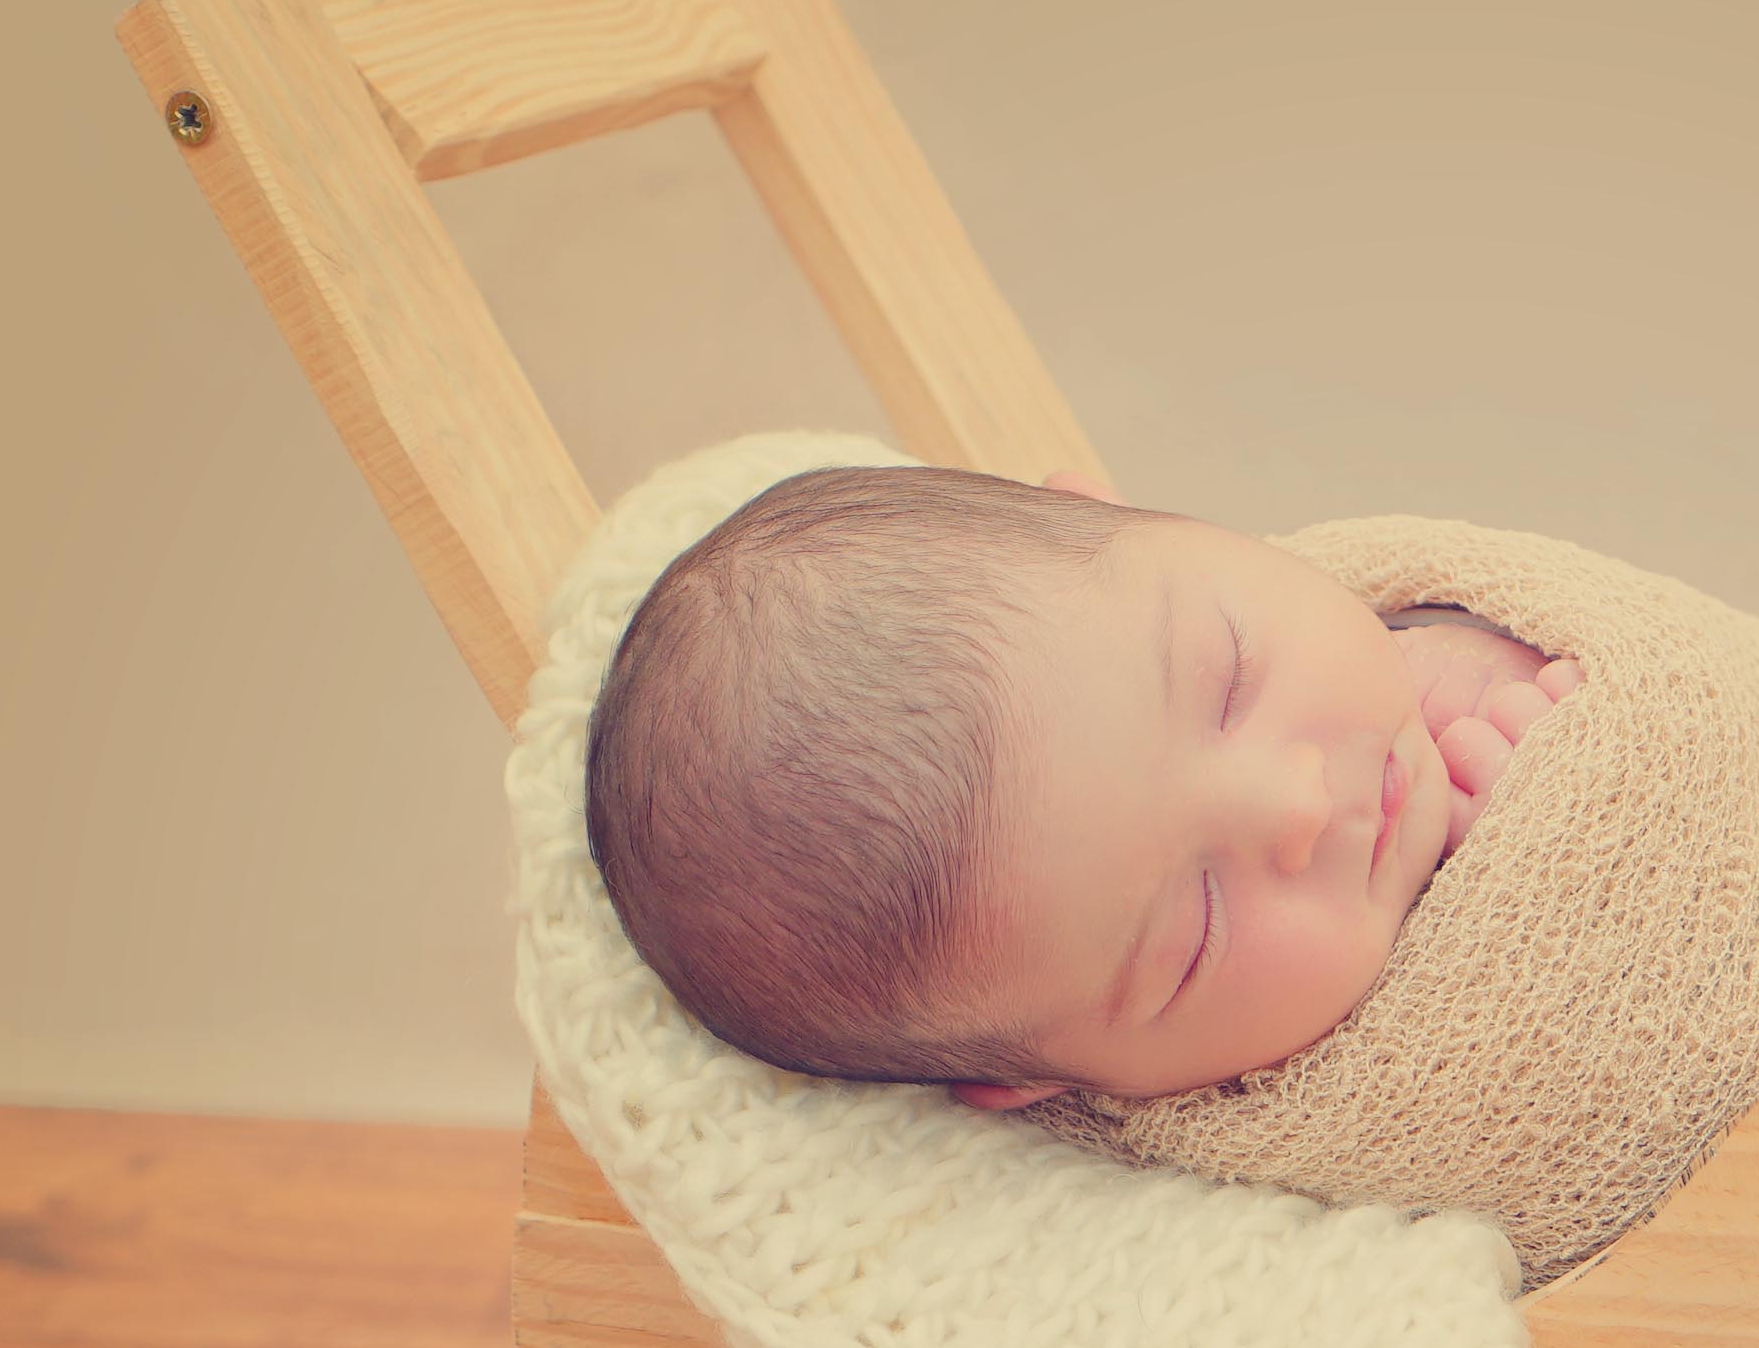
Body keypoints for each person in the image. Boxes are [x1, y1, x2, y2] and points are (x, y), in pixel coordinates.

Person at [583, 463, 1581, 1107]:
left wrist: (1491, 664)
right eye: (1195, 931)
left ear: (1112, 509)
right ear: (1031, 1085)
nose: (1301, 805)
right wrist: (1546, 892)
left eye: (1228, 679)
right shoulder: (1279, 1151)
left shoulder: (1408, 622)